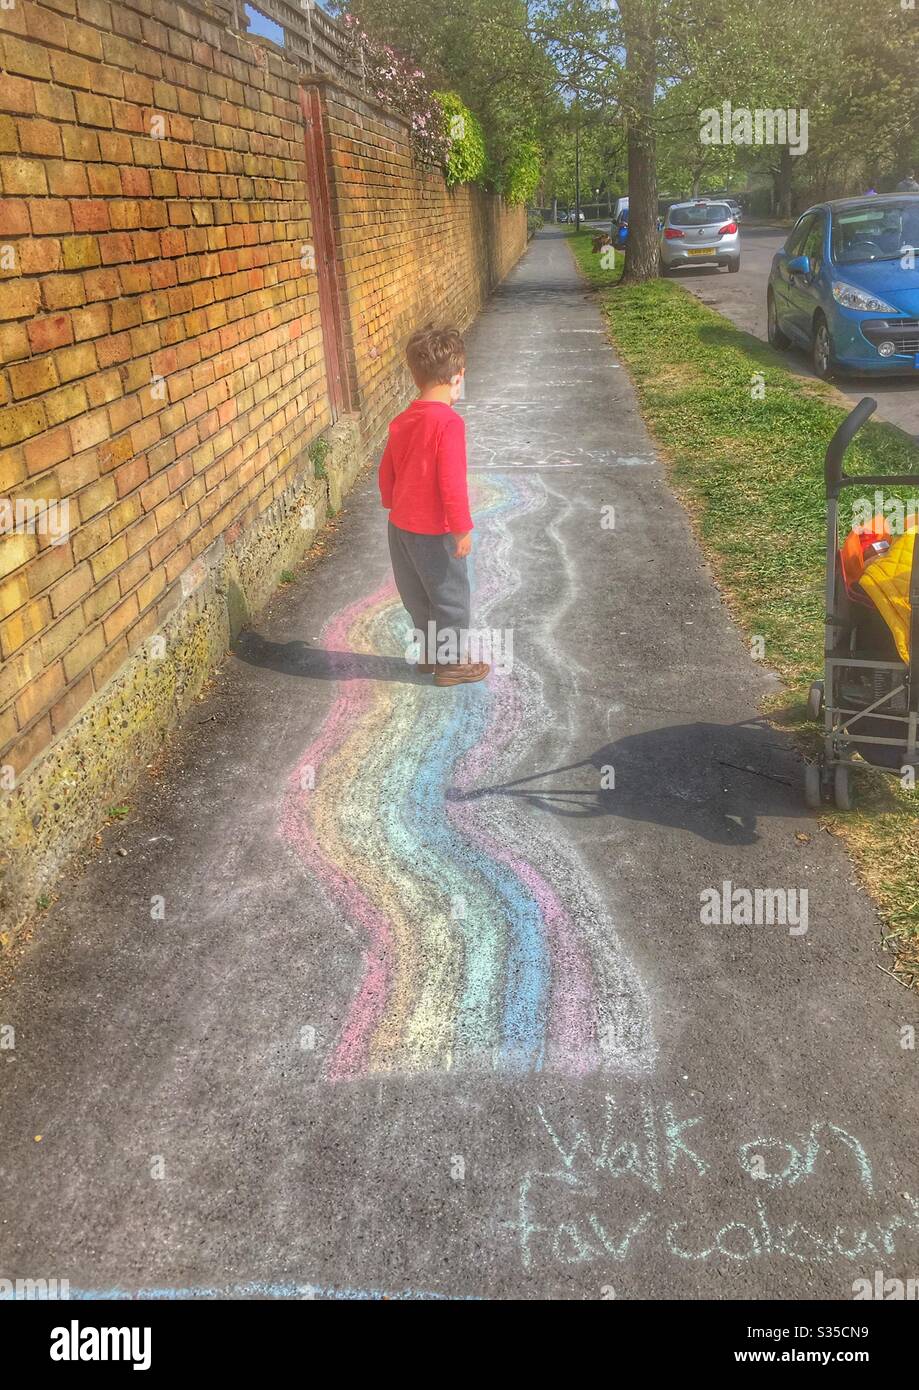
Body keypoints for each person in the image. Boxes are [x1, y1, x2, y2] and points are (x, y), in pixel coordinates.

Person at [379, 326, 490, 688]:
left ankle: (430, 655)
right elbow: (452, 483)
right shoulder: (448, 423)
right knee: (450, 598)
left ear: (415, 375)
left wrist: (395, 505)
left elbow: (387, 474)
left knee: (418, 595)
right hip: (435, 531)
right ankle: (453, 664)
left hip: (401, 529)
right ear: (458, 377)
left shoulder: (401, 420)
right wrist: (461, 528)